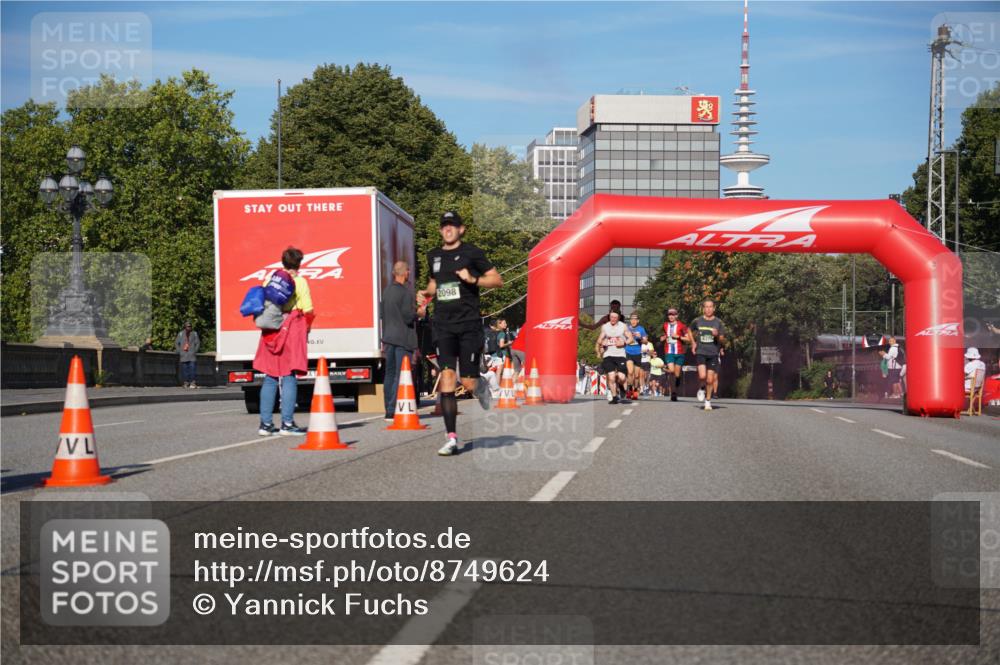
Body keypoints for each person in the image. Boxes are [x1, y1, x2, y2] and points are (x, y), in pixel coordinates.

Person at [417, 211, 503, 456]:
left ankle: (482, 385)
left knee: (467, 381)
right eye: (444, 226)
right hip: (443, 325)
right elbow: (435, 283)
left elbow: (497, 280)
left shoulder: (472, 253)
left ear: (461, 229)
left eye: (452, 225)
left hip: (468, 325)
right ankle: (451, 437)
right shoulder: (433, 255)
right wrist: (425, 294)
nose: (448, 229)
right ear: (440, 230)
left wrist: (472, 279)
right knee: (446, 376)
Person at [254, 247, 313, 436]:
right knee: (288, 376)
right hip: (291, 329)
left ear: (283, 262)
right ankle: (287, 423)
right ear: (299, 263)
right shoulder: (300, 282)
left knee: (270, 377)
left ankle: (265, 424)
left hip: (271, 330)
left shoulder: (270, 279)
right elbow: (308, 309)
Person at [380, 260, 419, 422]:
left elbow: (382, 314)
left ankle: (388, 409)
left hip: (388, 338)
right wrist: (419, 313)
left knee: (389, 374)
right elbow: (408, 317)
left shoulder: (387, 291)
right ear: (405, 273)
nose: (409, 273)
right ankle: (393, 409)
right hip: (403, 338)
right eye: (408, 271)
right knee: (400, 374)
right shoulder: (406, 293)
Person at [690, 299, 727, 411]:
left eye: (711, 307)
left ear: (714, 308)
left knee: (710, 380)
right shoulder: (697, 321)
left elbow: (722, 339)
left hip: (713, 353)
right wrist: (693, 343)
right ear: (703, 308)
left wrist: (717, 335)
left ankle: (708, 401)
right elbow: (689, 330)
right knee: (702, 376)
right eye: (706, 307)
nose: (708, 309)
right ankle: (701, 388)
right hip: (701, 352)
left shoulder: (718, 322)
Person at [595, 309, 634, 405]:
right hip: (608, 355)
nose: (613, 319)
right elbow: (600, 339)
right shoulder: (605, 327)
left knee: (621, 377)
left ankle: (621, 387)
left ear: (618, 318)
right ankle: (614, 397)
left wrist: (624, 343)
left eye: (615, 317)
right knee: (611, 377)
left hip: (620, 354)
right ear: (609, 316)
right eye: (611, 317)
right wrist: (602, 342)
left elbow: (631, 339)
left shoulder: (623, 326)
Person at [659, 308, 689, 402]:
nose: (671, 316)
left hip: (679, 352)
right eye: (669, 315)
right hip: (669, 352)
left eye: (673, 314)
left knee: (676, 374)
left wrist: (679, 337)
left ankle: (677, 382)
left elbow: (688, 339)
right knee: (671, 371)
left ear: (676, 315)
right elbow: (663, 335)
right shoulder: (665, 325)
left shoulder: (682, 326)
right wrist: (663, 338)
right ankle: (673, 393)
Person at [624, 313, 648, 400]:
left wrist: (640, 337)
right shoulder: (626, 328)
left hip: (637, 353)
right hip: (628, 352)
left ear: (638, 321)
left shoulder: (641, 329)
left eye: (635, 319)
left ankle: (635, 390)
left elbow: (646, 341)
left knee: (637, 375)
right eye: (632, 319)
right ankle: (629, 389)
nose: (633, 321)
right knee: (630, 372)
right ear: (630, 320)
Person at [175, 322, 200, 388]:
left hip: (192, 355)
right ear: (185, 327)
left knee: (192, 369)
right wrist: (179, 351)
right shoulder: (180, 334)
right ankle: (186, 382)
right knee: (185, 370)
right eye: (188, 326)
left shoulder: (194, 333)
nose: (189, 327)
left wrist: (195, 351)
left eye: (190, 326)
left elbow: (197, 343)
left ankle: (192, 383)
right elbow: (177, 343)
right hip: (184, 355)